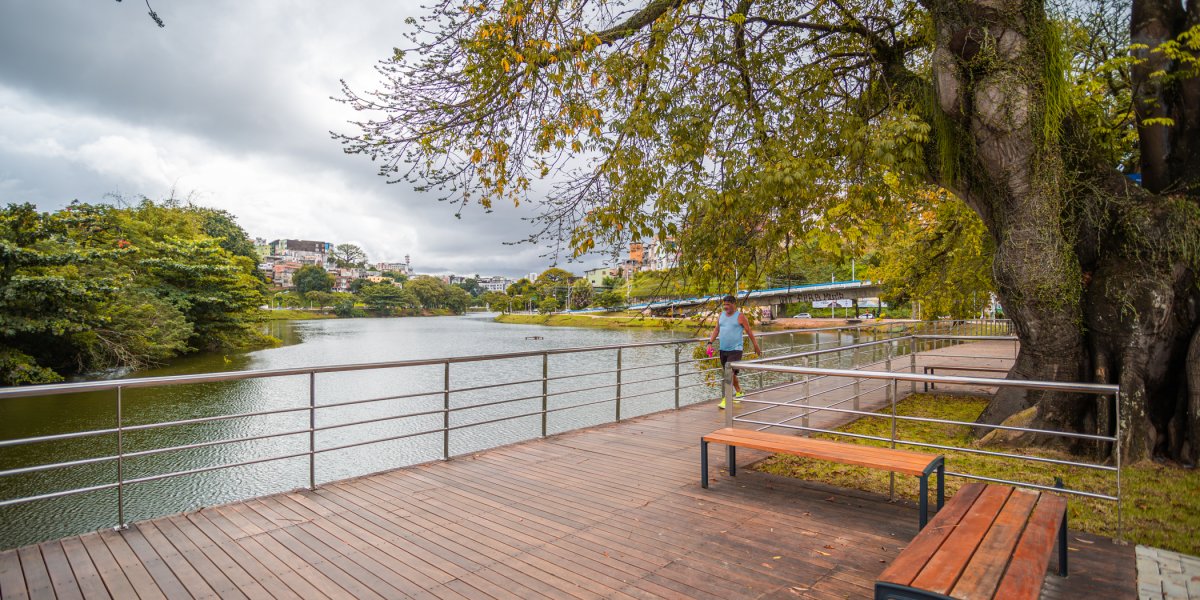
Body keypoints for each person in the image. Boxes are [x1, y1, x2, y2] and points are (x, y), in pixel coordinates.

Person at [706, 295, 762, 409]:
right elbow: (717, 329)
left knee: (729, 373)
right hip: (723, 349)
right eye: (724, 304)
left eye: (728, 305)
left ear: (733, 304)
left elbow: (749, 331)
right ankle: (739, 392)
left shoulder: (740, 316)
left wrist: (756, 345)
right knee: (732, 374)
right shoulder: (721, 315)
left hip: (736, 349)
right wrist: (710, 342)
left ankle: (727, 399)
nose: (726, 307)